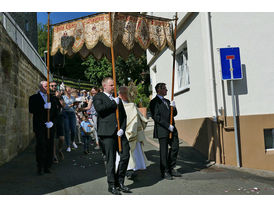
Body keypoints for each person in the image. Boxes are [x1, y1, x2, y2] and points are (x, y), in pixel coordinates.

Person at [93, 77, 130, 195]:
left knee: (125, 156)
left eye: (114, 85)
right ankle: (112, 185)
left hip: (119, 133)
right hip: (107, 133)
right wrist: (114, 103)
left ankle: (120, 181)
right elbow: (100, 110)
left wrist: (122, 129)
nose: (114, 87)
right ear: (104, 86)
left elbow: (123, 116)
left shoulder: (117, 99)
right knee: (111, 160)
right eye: (111, 85)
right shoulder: (98, 97)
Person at [149, 83, 182, 180]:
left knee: (175, 147)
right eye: (164, 89)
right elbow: (156, 117)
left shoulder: (167, 101)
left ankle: (171, 167)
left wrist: (174, 107)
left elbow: (174, 114)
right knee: (164, 152)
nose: (167, 90)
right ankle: (165, 171)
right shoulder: (154, 102)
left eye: (166, 89)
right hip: (163, 130)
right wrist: (168, 126)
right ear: (159, 90)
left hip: (172, 129)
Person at [118, 86, 149, 179]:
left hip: (134, 131)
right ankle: (127, 169)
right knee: (125, 152)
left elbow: (139, 117)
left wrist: (143, 121)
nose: (127, 95)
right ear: (120, 94)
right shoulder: (118, 104)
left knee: (135, 151)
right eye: (125, 93)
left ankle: (134, 167)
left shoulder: (132, 105)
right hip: (124, 131)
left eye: (127, 93)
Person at [29, 81, 58, 175]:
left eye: (48, 86)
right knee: (41, 145)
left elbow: (56, 112)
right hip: (40, 126)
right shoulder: (34, 98)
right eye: (46, 86)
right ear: (41, 87)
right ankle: (40, 166)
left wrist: (52, 122)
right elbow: (31, 110)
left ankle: (47, 166)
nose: (48, 88)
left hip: (50, 126)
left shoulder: (52, 98)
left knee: (50, 145)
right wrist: (43, 107)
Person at [49, 81, 65, 163]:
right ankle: (54, 155)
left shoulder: (59, 96)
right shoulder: (49, 95)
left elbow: (63, 105)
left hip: (59, 117)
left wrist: (59, 97)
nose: (54, 87)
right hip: (52, 118)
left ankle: (59, 150)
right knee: (53, 138)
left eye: (55, 85)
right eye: (52, 86)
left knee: (61, 138)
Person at [62, 86, 78, 152]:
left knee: (74, 130)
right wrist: (72, 105)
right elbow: (64, 107)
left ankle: (73, 141)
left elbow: (74, 107)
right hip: (65, 114)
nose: (69, 91)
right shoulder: (63, 97)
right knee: (67, 130)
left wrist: (76, 106)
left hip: (72, 114)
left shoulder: (73, 97)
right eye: (68, 90)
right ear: (65, 91)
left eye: (70, 90)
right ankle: (68, 145)